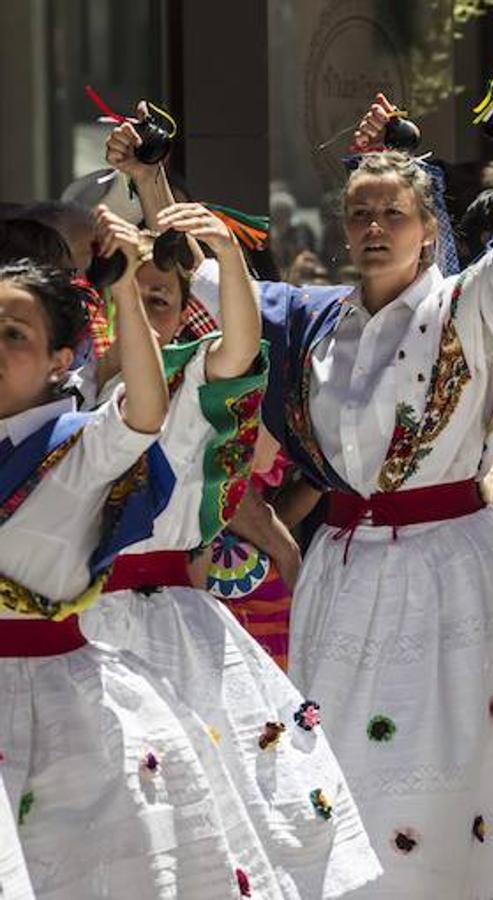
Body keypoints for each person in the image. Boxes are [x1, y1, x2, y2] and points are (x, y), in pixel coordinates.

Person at [170, 44, 493, 897]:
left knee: (453, 756)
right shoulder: (317, 322)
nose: (373, 229)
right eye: (359, 214)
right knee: (342, 758)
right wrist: (158, 190)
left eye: (392, 214)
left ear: (426, 228)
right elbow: (212, 277)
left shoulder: (465, 306)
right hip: (346, 569)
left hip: (453, 564)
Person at [75, 162, 382, 892]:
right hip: (78, 626)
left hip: (171, 619)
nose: (146, 310)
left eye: (161, 299)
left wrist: (228, 256)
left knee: (213, 813)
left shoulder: (192, 384)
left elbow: (243, 343)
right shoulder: (70, 390)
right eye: (131, 294)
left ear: (185, 315)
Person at [0, 241, 285, 896]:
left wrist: (125, 285)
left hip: (52, 705)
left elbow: (145, 414)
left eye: (14, 334)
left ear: (58, 360)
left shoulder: (78, 442)